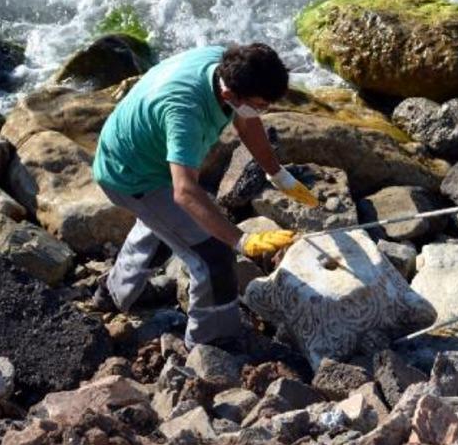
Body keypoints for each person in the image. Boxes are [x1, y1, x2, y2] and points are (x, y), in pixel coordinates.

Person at [91, 43, 319, 349]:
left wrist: (277, 173)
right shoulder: (185, 113)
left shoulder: (227, 64)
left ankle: (112, 292)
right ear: (229, 96)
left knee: (162, 229)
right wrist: (241, 240)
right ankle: (209, 346)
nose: (264, 111)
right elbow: (184, 192)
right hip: (129, 176)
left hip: (141, 153)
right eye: (261, 105)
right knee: (213, 255)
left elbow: (247, 122)